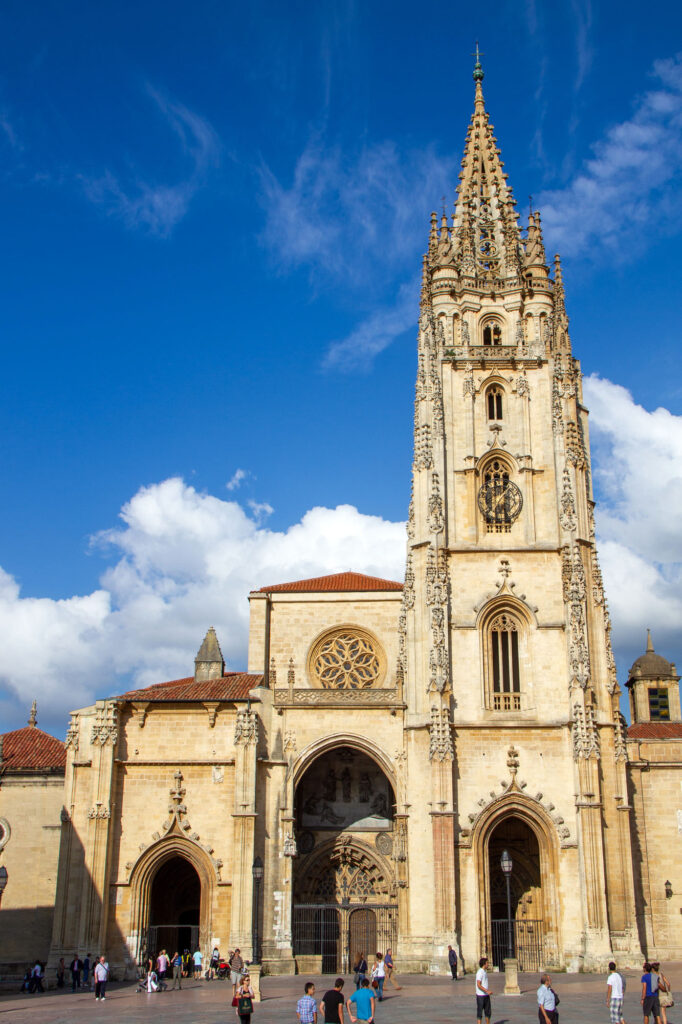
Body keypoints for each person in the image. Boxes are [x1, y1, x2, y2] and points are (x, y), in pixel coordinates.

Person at [475, 956, 492, 1024]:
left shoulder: (484, 972)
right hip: (480, 996)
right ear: (484, 964)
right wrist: (486, 991)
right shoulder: (480, 972)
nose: (488, 964)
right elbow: (478, 984)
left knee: (488, 1012)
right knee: (480, 1013)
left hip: (486, 995)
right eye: (487, 963)